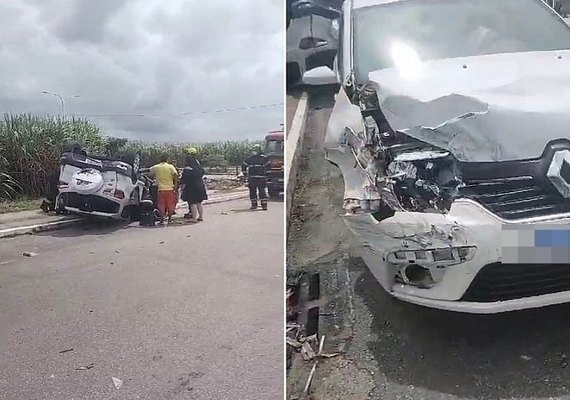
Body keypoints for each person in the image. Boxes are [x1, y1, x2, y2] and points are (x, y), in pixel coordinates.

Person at [149, 154, 179, 224]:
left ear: (160, 159)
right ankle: (170, 219)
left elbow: (149, 173)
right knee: (170, 204)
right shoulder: (170, 167)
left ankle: (162, 220)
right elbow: (176, 175)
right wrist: (176, 185)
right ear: (167, 159)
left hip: (161, 189)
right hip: (170, 189)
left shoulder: (156, 167)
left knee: (161, 204)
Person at [181, 147, 208, 223]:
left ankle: (194, 218)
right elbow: (202, 173)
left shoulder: (187, 169)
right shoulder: (198, 166)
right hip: (200, 185)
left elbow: (184, 179)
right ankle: (201, 217)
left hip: (191, 187)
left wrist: (182, 187)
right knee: (199, 202)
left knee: (192, 203)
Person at [242, 144, 270, 211]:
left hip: (259, 178)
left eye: (255, 150)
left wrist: (267, 175)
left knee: (261, 192)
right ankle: (255, 205)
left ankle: (263, 206)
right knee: (253, 192)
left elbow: (268, 167)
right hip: (254, 178)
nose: (254, 152)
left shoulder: (263, 158)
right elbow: (243, 166)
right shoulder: (250, 159)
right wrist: (245, 175)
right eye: (253, 150)